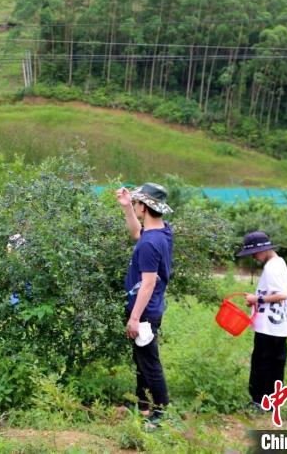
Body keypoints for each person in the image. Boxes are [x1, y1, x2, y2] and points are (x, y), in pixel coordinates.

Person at [117, 183, 174, 427]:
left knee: (150, 363)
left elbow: (148, 283)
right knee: (142, 360)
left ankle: (160, 414)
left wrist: (134, 318)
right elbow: (136, 233)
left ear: (145, 206)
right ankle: (144, 405)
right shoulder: (161, 232)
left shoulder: (151, 243)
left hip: (145, 311)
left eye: (138, 202)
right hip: (148, 308)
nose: (136, 205)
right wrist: (127, 207)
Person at [236, 231, 287, 411]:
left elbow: (282, 295)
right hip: (279, 324)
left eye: (254, 253)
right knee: (275, 364)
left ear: (265, 249)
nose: (254, 257)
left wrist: (257, 300)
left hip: (270, 326)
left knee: (263, 363)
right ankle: (272, 401)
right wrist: (256, 298)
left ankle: (260, 402)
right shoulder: (279, 262)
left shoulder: (271, 268)